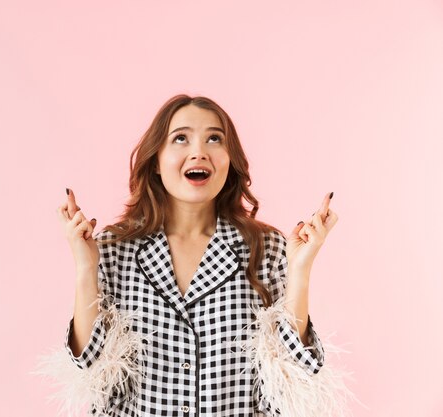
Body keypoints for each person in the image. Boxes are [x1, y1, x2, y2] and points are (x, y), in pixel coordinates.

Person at [53, 95, 345, 417]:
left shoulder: (268, 247)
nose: (199, 151)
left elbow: (295, 373)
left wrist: (300, 270)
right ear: (156, 162)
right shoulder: (113, 248)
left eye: (214, 139)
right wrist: (85, 266)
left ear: (229, 160)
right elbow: (89, 367)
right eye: (181, 138)